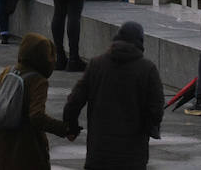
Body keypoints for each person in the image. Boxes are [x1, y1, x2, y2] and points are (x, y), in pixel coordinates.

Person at [62, 21, 165, 170]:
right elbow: (156, 109)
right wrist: (149, 128)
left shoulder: (96, 65)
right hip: (132, 156)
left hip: (99, 153)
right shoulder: (147, 69)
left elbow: (74, 101)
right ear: (140, 42)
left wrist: (71, 127)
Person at [0, 32, 73, 170]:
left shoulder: (7, 72)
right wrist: (64, 129)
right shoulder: (37, 81)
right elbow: (36, 116)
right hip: (24, 150)